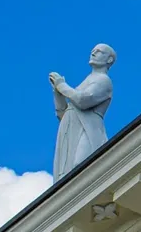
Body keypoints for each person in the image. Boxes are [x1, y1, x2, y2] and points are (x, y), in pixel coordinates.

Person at [48, 44, 116, 179]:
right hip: (71, 129)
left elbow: (83, 101)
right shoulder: (88, 80)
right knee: (65, 173)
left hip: (88, 129)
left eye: (99, 51)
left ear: (109, 60)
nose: (94, 53)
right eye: (92, 51)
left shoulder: (103, 80)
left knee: (81, 165)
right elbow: (63, 113)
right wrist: (57, 92)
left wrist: (61, 85)